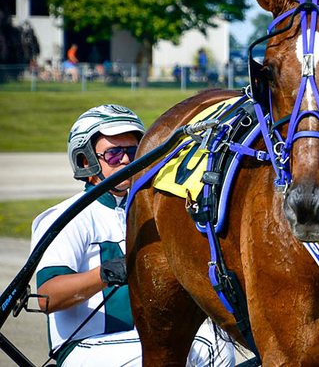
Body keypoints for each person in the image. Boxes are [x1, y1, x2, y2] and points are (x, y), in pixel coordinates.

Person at [31, 104, 235, 366]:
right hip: (84, 348)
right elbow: (47, 297)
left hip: (140, 341)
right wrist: (105, 273)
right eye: (114, 154)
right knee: (202, 347)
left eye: (132, 152)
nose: (127, 160)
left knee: (219, 339)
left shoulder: (147, 213)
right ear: (86, 161)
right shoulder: (64, 218)